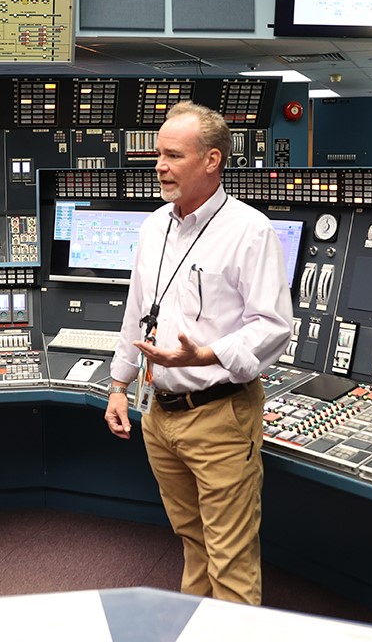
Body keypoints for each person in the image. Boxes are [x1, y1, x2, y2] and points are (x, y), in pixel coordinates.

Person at [104, 101, 293, 605]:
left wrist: (206, 354)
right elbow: (137, 313)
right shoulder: (153, 227)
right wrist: (119, 386)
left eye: (172, 155)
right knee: (193, 546)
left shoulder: (249, 231)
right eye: (157, 155)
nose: (159, 166)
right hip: (158, 417)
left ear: (212, 160)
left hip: (219, 415)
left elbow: (274, 326)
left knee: (230, 559)